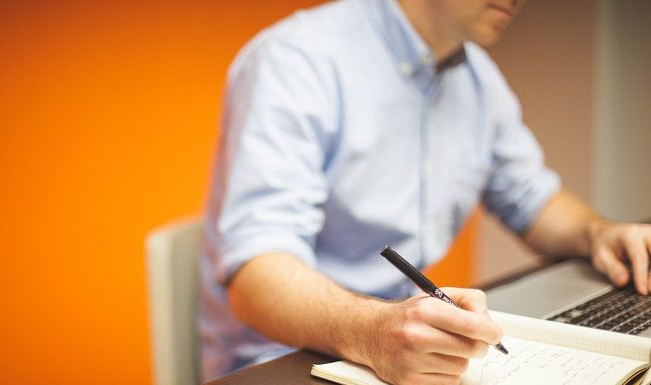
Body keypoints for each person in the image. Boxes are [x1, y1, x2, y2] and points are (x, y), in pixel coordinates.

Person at [199, 0, 651, 383]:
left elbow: (531, 198)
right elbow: (255, 277)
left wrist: (598, 233)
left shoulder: (477, 79)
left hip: (402, 349)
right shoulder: (296, 60)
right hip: (288, 361)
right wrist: (372, 332)